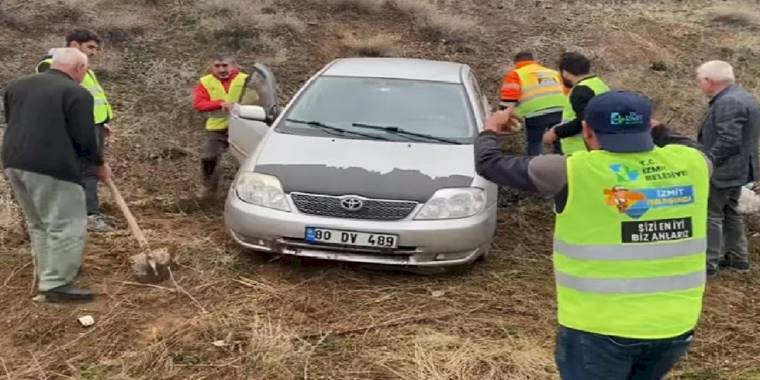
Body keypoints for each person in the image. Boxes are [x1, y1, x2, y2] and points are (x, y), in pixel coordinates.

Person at [476, 91, 710, 379]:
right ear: (648, 126)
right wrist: (655, 127)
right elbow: (688, 145)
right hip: (674, 326)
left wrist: (490, 130)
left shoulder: (570, 170)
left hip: (599, 328)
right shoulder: (693, 163)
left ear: (587, 131)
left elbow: (489, 164)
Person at [3, 48, 111, 302]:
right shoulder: (77, 93)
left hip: (14, 162)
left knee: (39, 224)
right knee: (67, 224)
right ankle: (57, 285)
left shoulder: (18, 85)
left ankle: (50, 272)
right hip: (53, 166)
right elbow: (85, 139)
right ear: (78, 68)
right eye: (85, 70)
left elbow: (15, 120)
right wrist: (98, 164)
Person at [37, 28, 115, 232]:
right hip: (77, 128)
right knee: (86, 169)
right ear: (74, 45)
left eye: (95, 48)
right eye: (90, 47)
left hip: (93, 125)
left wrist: (102, 121)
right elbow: (59, 100)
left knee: (91, 170)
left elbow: (92, 98)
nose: (93, 52)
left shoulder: (84, 68)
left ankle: (90, 211)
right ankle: (87, 215)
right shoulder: (52, 66)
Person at [696, 60, 760, 276]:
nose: (699, 85)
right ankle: (737, 258)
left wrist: (708, 161)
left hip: (723, 170)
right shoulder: (742, 96)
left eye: (700, 80)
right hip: (739, 168)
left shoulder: (728, 102)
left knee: (711, 214)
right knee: (730, 212)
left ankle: (709, 263)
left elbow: (729, 140)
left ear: (709, 81)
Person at [193, 54, 251, 199]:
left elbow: (258, 98)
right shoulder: (205, 82)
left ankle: (246, 193)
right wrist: (220, 104)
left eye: (225, 65)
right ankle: (208, 188)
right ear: (211, 67)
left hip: (244, 127)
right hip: (217, 128)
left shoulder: (245, 80)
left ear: (233, 65)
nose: (221, 69)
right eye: (217, 66)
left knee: (247, 162)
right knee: (208, 158)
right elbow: (199, 104)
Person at [499, 51, 569, 155]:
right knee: (560, 141)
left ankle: (536, 166)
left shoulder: (516, 74)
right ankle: (563, 165)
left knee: (535, 142)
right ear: (534, 61)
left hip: (536, 113)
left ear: (516, 62)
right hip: (561, 110)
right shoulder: (553, 73)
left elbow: (508, 100)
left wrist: (503, 118)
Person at [542, 52, 609, 155]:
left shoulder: (580, 90)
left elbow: (585, 121)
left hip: (581, 149)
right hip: (600, 144)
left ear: (565, 73)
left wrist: (556, 132)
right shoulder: (598, 83)